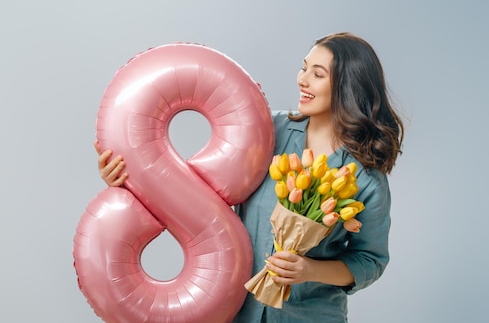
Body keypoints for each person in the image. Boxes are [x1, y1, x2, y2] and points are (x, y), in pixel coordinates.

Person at [93, 32, 405, 323]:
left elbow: (370, 259)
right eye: (304, 68)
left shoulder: (365, 178)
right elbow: (194, 192)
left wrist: (310, 270)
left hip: (310, 315)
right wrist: (131, 179)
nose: (302, 80)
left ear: (347, 88)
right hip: (238, 311)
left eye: (317, 74)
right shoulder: (267, 131)